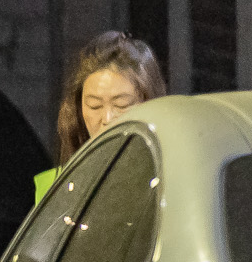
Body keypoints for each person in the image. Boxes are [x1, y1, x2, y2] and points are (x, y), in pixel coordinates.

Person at [40, 32, 164, 200]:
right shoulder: (54, 188)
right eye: (94, 106)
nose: (107, 119)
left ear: (149, 103)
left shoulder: (171, 181)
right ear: (78, 109)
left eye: (122, 105)